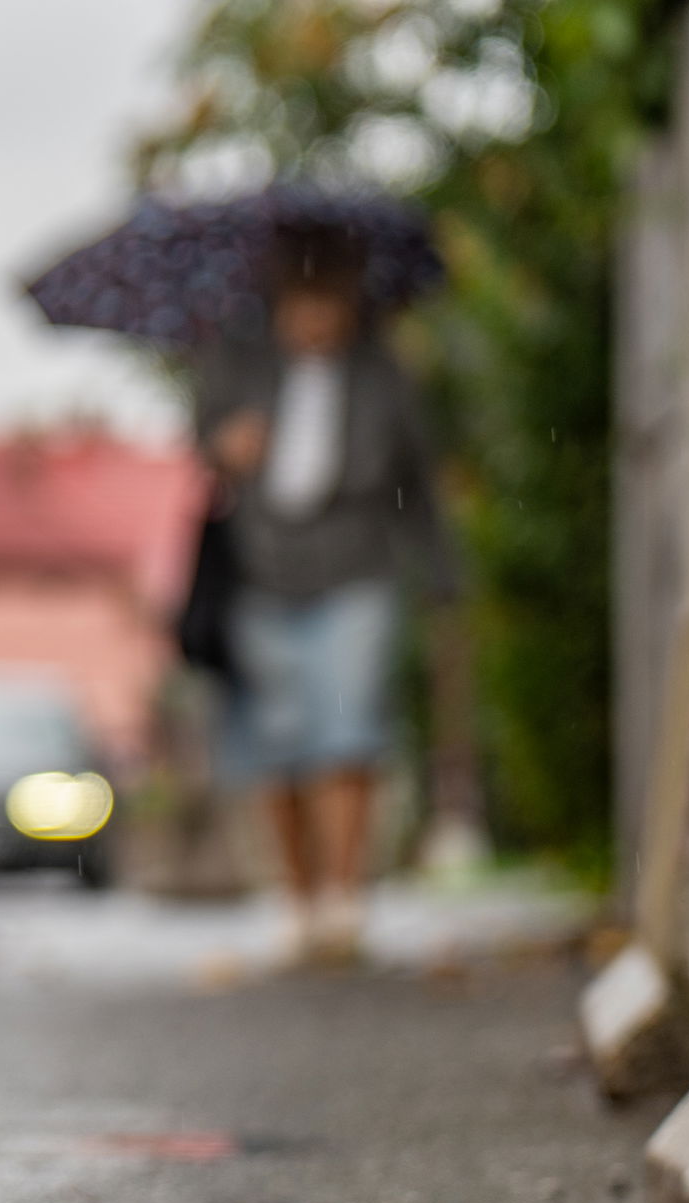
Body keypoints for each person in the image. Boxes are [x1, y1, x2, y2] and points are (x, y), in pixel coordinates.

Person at [196, 237, 461, 963]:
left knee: (347, 733)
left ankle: (344, 899)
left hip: (356, 569)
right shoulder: (238, 365)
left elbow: (417, 483)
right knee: (277, 745)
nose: (315, 318)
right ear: (279, 303)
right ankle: (299, 900)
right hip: (261, 572)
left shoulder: (384, 376)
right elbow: (201, 446)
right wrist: (226, 448)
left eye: (329, 303)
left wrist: (441, 573)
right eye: (301, 303)